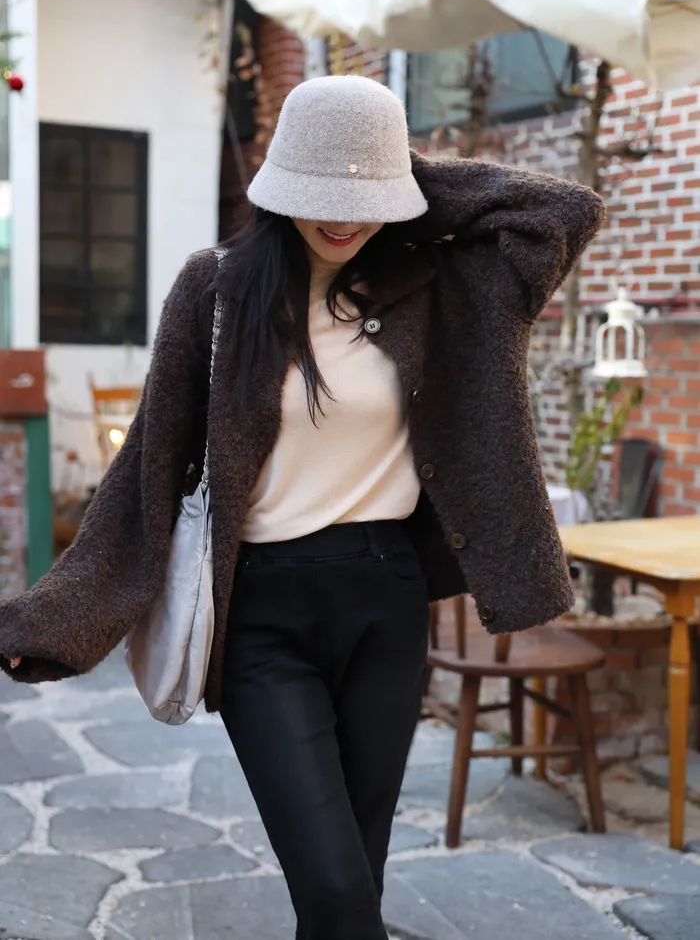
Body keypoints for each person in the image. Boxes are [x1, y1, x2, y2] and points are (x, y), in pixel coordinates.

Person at [0, 75, 604, 939]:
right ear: (281, 183)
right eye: (319, 190)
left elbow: (561, 212)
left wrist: (389, 175)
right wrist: (55, 617)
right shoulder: (216, 291)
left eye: (362, 200)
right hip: (264, 620)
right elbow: (146, 468)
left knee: (358, 879)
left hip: (387, 604)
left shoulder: (434, 286)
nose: (342, 218)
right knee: (335, 892)